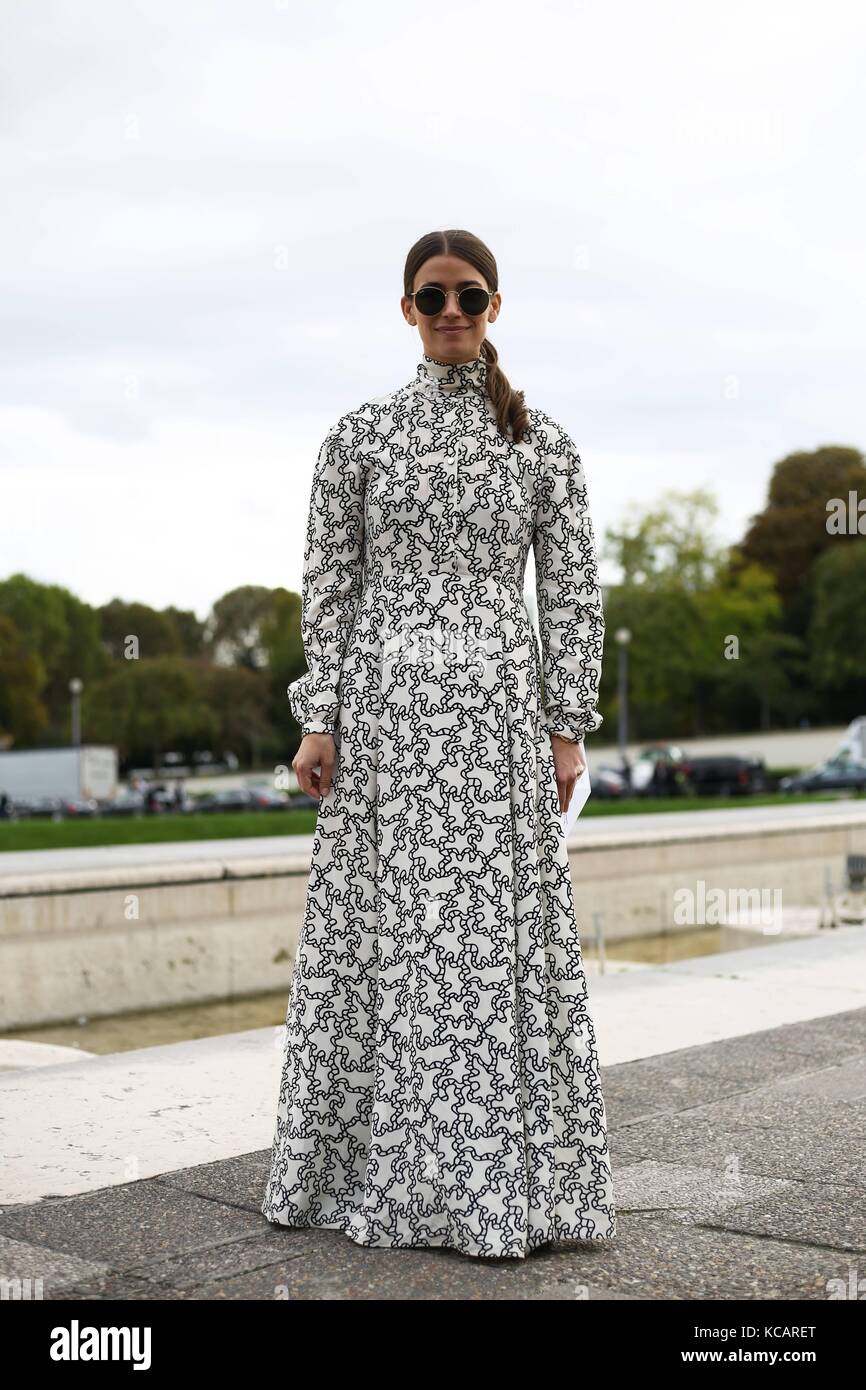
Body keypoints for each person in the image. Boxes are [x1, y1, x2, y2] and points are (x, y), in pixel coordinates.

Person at [261, 228, 615, 1259]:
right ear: (405, 310)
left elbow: (571, 591)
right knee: (390, 941)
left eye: (467, 295)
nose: (450, 310)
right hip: (383, 723)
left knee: (482, 945)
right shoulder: (358, 437)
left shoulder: (541, 442)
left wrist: (566, 726)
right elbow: (327, 587)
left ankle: (498, 1184)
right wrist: (316, 715)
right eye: (431, 296)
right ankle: (377, 1174)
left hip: (501, 723)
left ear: (494, 306)